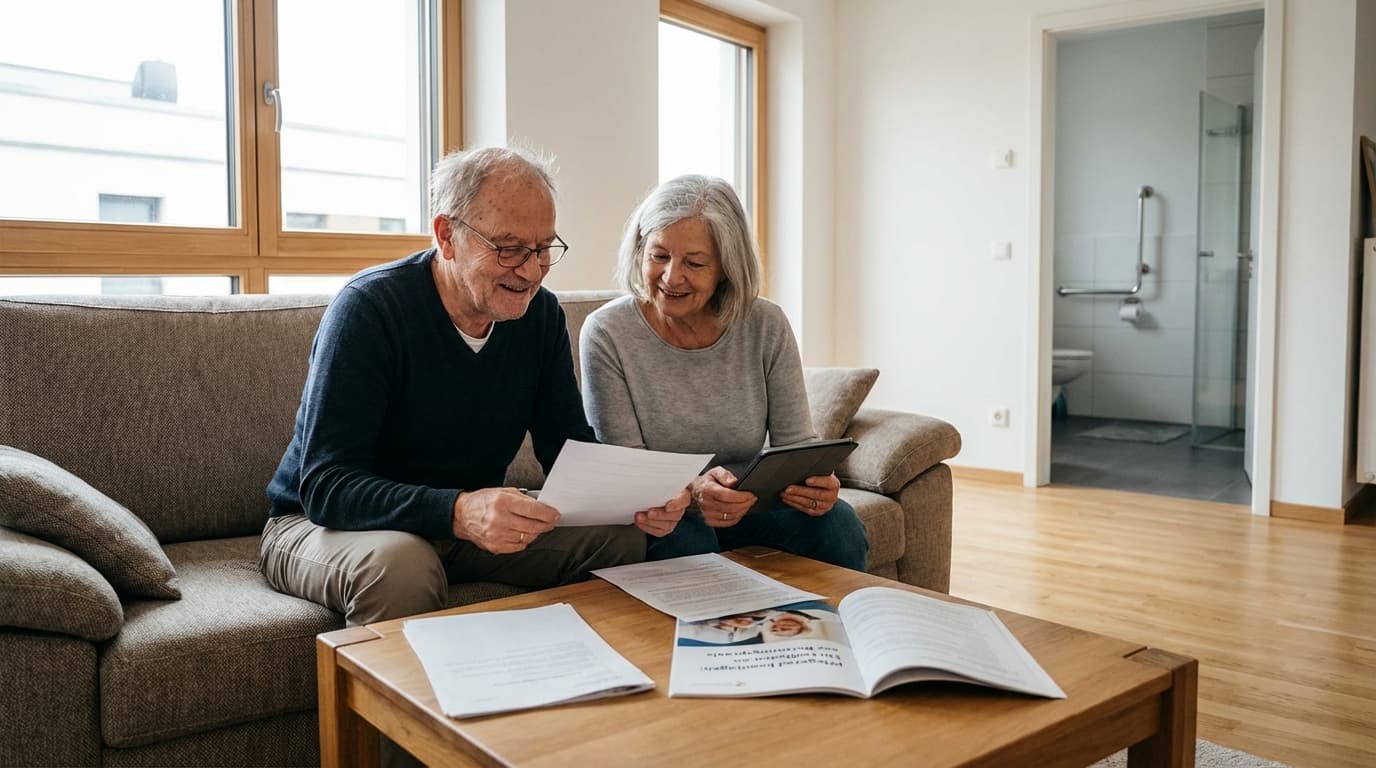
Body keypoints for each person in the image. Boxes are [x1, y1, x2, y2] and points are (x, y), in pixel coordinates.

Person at [260, 147, 688, 627]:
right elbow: (327, 486)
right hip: (321, 524)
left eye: (543, 248)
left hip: (457, 524)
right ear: (447, 236)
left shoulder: (540, 317)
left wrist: (635, 500)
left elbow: (569, 449)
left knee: (618, 539)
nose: (530, 271)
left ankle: (582, 693)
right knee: (401, 564)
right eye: (508, 248)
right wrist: (459, 511)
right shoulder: (370, 310)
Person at [579, 174, 868, 570]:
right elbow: (629, 466)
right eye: (659, 256)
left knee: (839, 525)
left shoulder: (766, 324)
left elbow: (794, 446)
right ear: (639, 250)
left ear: (727, 269)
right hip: (663, 509)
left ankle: (837, 631)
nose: (670, 277)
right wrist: (694, 491)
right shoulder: (608, 333)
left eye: (694, 263)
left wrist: (815, 484)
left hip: (750, 505)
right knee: (685, 537)